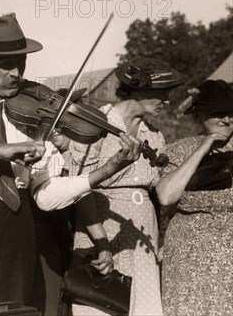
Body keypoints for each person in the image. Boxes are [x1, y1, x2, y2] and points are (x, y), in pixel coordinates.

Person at [0, 14, 142, 307]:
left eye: (20, 63)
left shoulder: (32, 113)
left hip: (18, 226)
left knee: (13, 312)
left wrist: (107, 170)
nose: (16, 73)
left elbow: (46, 196)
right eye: (6, 64)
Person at [68, 57, 184, 316]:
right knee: (100, 306)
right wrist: (101, 244)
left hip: (144, 237)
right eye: (163, 94)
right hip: (103, 231)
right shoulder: (96, 123)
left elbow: (159, 192)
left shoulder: (154, 134)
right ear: (139, 90)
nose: (167, 101)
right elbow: (79, 188)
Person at [156, 80, 233, 316]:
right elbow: (167, 196)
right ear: (200, 116)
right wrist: (205, 145)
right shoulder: (179, 149)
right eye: (218, 114)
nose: (227, 120)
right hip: (188, 252)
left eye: (232, 114)